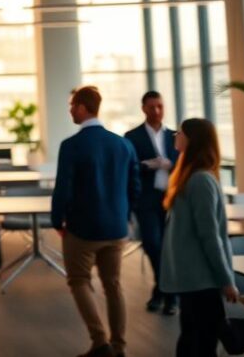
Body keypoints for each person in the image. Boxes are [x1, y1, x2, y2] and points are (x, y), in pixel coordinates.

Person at [51, 86, 140, 357]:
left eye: (72, 106)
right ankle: (119, 346)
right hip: (116, 229)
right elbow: (135, 187)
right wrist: (123, 216)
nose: (70, 111)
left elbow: (63, 188)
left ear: (82, 107)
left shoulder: (71, 146)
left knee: (79, 281)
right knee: (113, 284)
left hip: (82, 229)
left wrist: (57, 220)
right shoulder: (123, 144)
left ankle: (100, 341)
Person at [160, 118, 238, 356]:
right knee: (199, 341)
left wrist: (224, 280)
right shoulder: (194, 177)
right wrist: (226, 279)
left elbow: (209, 236)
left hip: (200, 277)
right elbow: (209, 236)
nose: (175, 136)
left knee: (195, 340)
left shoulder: (199, 180)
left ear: (192, 140)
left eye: (180, 133)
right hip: (198, 278)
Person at [123, 90, 179, 315]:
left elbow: (184, 164)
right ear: (143, 109)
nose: (156, 111)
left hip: (173, 199)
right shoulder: (132, 136)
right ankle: (168, 291)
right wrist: (149, 165)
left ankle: (163, 292)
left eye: (160, 106)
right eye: (152, 107)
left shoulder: (175, 136)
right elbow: (128, 168)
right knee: (153, 244)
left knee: (170, 248)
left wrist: (169, 165)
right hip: (146, 199)